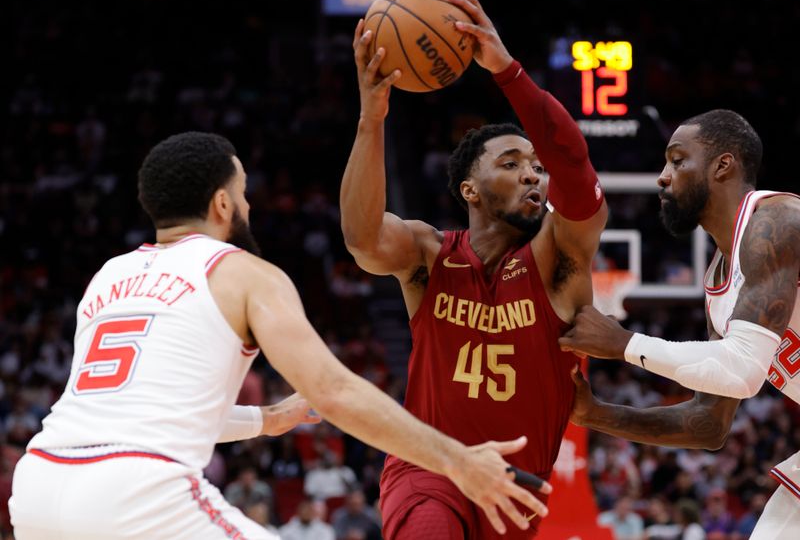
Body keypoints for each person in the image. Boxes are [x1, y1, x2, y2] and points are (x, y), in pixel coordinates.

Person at [9, 131, 548, 539]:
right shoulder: (244, 271)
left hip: (39, 486)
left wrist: (266, 420)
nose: (247, 206)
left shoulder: (110, 275)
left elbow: (130, 415)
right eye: (242, 193)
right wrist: (458, 460)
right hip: (136, 491)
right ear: (222, 204)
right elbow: (334, 391)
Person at [341, 0, 607, 539]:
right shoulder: (428, 254)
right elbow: (363, 238)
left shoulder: (559, 259)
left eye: (535, 165)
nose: (533, 174)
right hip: (428, 471)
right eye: (511, 163)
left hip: (517, 494)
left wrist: (506, 68)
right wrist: (371, 119)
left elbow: (577, 174)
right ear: (470, 190)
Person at [561, 109, 800, 538]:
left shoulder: (776, 222)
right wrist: (595, 413)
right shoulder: (720, 291)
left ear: (722, 165)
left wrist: (624, 344)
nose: (662, 177)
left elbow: (744, 371)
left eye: (677, 160)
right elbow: (708, 424)